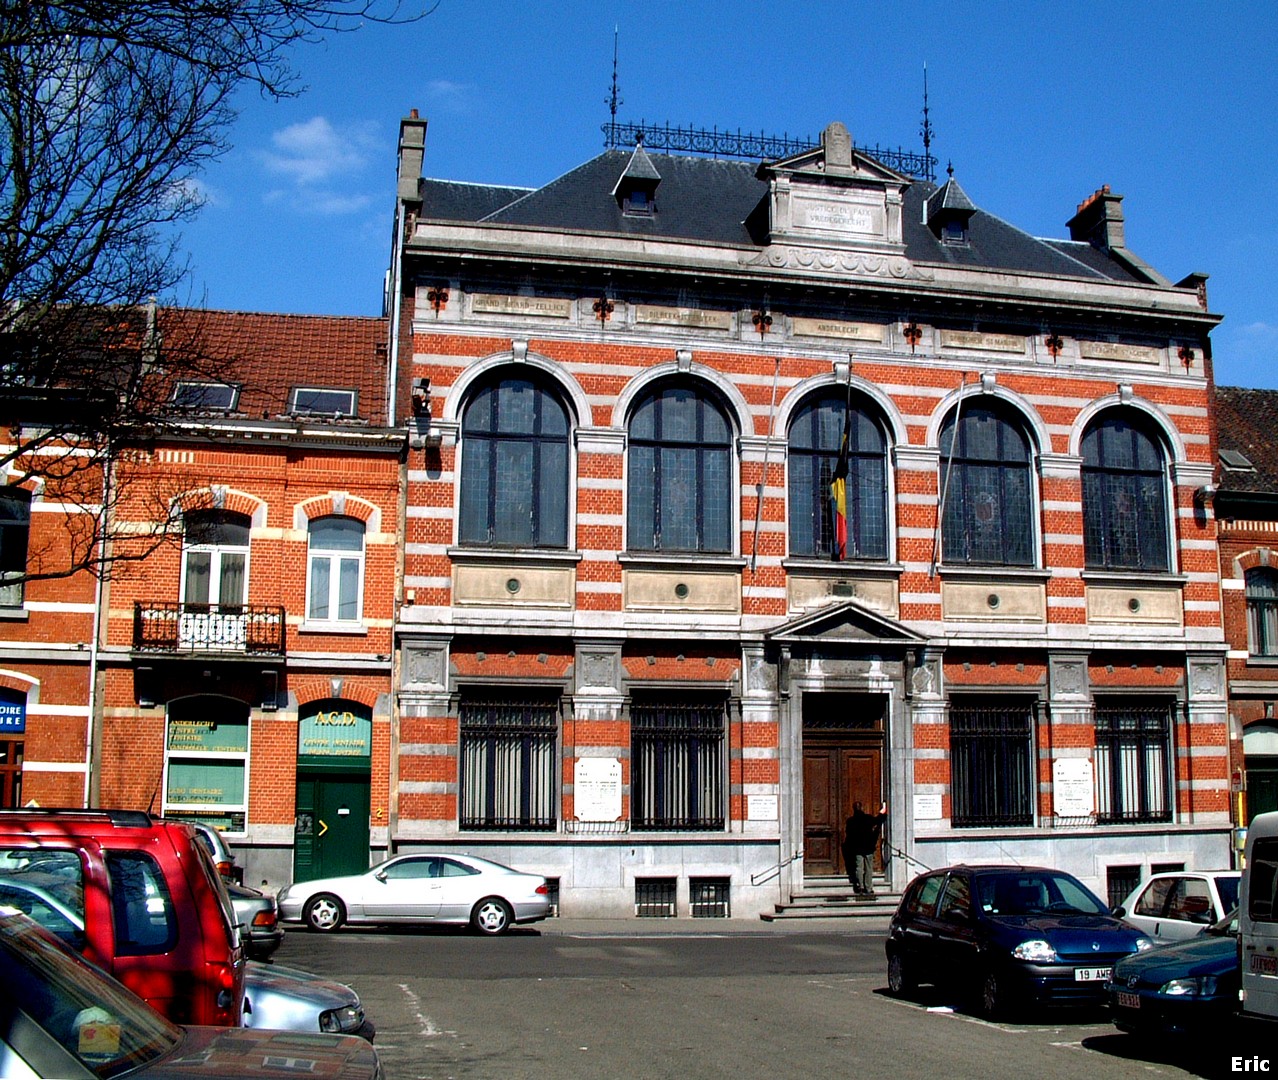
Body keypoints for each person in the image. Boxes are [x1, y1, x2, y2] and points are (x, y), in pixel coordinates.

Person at [842, 800, 888, 898]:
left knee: (859, 867)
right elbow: (877, 821)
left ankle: (860, 886)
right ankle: (869, 888)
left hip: (857, 848)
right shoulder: (867, 818)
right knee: (869, 868)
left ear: (854, 809)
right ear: (862, 808)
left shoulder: (850, 821)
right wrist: (882, 813)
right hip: (868, 847)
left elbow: (849, 834)